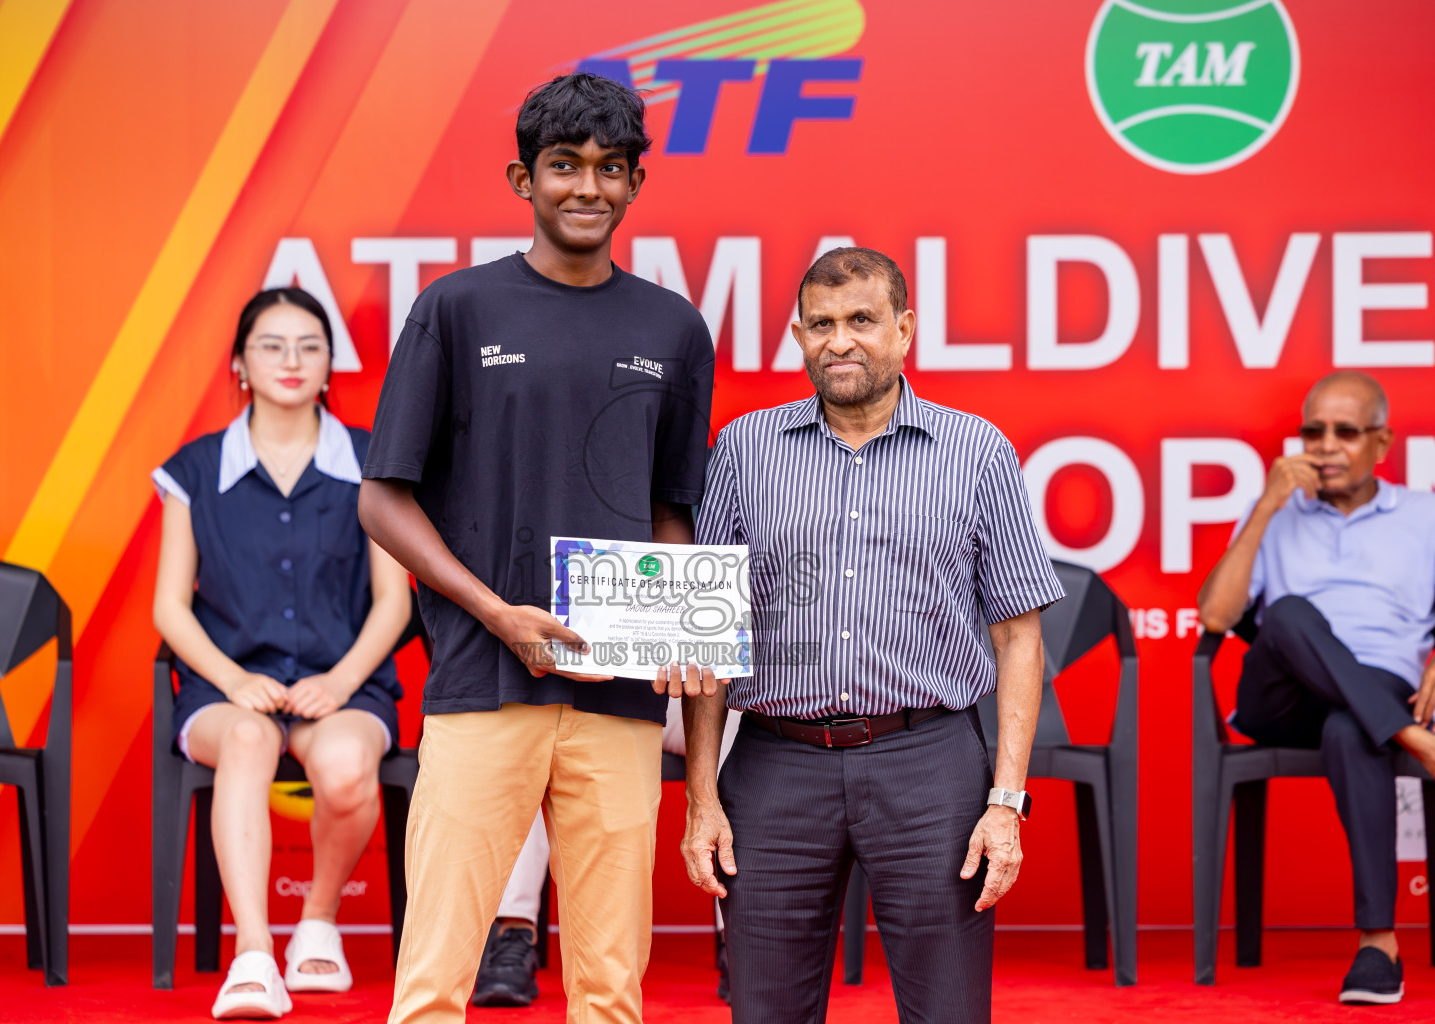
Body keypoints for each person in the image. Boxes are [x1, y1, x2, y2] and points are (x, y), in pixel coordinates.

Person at [357, 72, 715, 1024]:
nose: (587, 188)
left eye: (610, 168)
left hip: (622, 699)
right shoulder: (456, 310)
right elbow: (382, 501)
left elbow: (672, 509)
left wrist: (681, 624)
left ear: (638, 181)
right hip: (484, 682)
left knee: (609, 987)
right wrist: (495, 615)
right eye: (564, 166)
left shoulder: (675, 330)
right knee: (434, 979)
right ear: (524, 177)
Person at [666, 247, 1063, 1024]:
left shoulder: (977, 452)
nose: (839, 341)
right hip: (775, 769)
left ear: (904, 329)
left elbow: (1020, 636)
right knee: (766, 1011)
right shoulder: (745, 451)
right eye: (821, 324)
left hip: (930, 767)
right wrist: (702, 797)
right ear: (798, 334)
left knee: (947, 1010)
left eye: (861, 320)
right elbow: (709, 639)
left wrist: (1005, 804)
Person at [152, 287, 411, 1020]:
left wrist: (341, 681)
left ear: (331, 364)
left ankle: (317, 922)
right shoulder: (195, 471)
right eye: (271, 345)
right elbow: (169, 604)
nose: (291, 361)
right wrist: (233, 679)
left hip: (344, 684)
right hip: (225, 687)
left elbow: (394, 599)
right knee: (244, 738)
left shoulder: (369, 460)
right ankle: (256, 955)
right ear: (239, 364)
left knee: (346, 765)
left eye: (309, 346)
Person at [1196, 370, 1435, 1007]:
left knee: (1351, 727)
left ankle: (1377, 943)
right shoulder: (1271, 511)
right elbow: (1217, 617)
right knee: (1293, 612)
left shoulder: (1424, 515)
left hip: (1377, 691)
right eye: (1313, 431)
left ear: (1382, 443)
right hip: (1284, 693)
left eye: (1347, 432)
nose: (1326, 445)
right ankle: (1413, 739)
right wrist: (1268, 507)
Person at [472, 698, 743, 1007]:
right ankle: (514, 931)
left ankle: (736, 941)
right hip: (594, 693)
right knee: (537, 742)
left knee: (734, 722)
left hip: (668, 692)